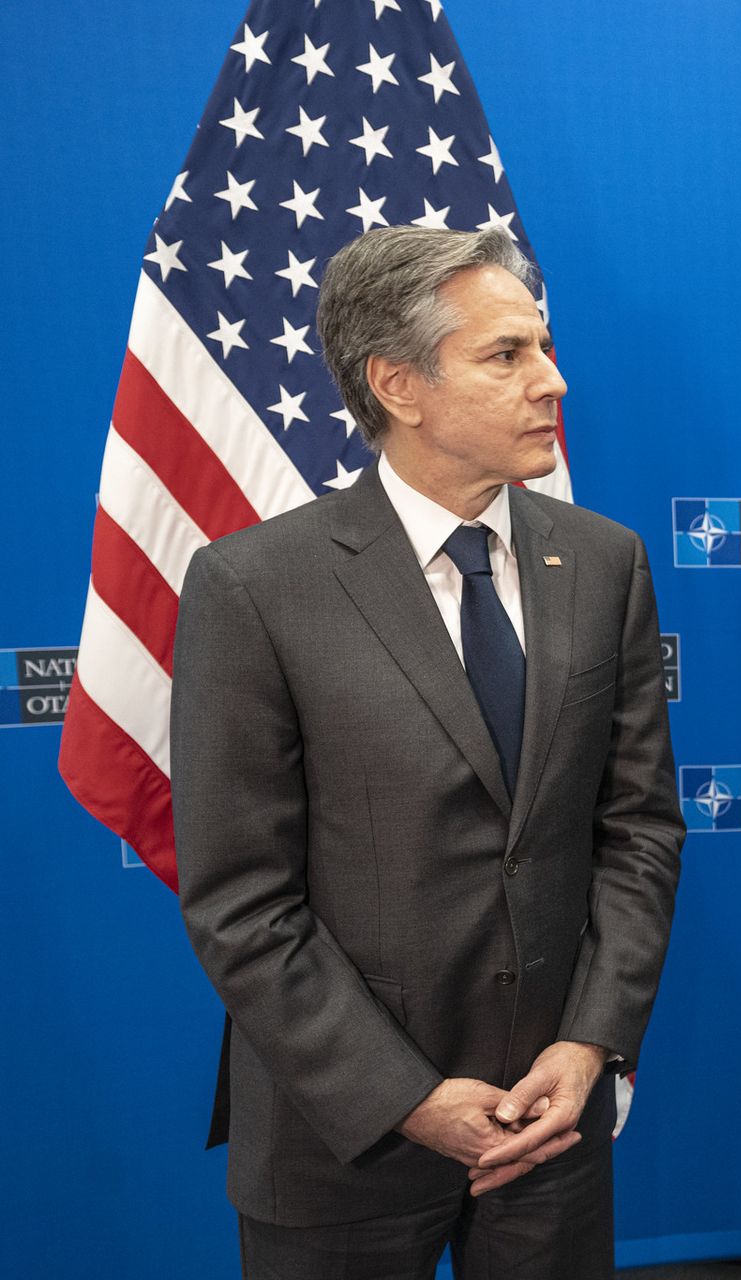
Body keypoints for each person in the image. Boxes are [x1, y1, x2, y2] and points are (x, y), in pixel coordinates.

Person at [172, 226, 684, 1279]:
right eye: (508, 355)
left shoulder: (604, 563)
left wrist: (588, 1046)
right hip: (340, 1137)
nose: (554, 379)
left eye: (542, 346)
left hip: (551, 1122)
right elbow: (240, 899)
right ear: (399, 384)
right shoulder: (255, 588)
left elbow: (637, 831)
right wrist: (404, 1096)